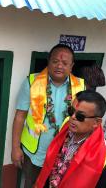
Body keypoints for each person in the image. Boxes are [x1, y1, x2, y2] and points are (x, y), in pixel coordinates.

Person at [11, 44, 85, 187]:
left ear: (72, 66)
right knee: (33, 184)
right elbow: (20, 117)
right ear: (48, 61)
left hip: (65, 152)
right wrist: (15, 148)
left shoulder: (81, 86)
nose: (59, 66)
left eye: (65, 63)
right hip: (36, 154)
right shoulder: (32, 82)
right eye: (55, 61)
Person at [34, 90, 106, 188]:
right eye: (71, 111)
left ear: (96, 122)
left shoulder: (104, 159)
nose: (73, 117)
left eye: (80, 116)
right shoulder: (66, 127)